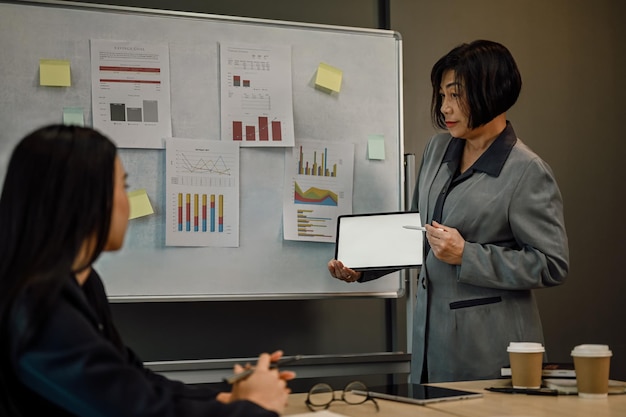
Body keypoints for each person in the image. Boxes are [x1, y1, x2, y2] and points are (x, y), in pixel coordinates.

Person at [0, 124, 295, 416]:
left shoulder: (83, 283)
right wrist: (254, 407)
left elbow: (133, 382)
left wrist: (226, 399)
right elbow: (138, 411)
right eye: (123, 186)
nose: (128, 202)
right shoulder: (39, 309)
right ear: (86, 198)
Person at [328, 40, 569, 383]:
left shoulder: (527, 171)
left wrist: (467, 255)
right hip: (429, 341)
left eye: (455, 95)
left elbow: (551, 264)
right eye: (442, 96)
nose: (444, 108)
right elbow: (417, 233)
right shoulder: (438, 148)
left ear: (493, 92)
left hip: (488, 348)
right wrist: (361, 267)